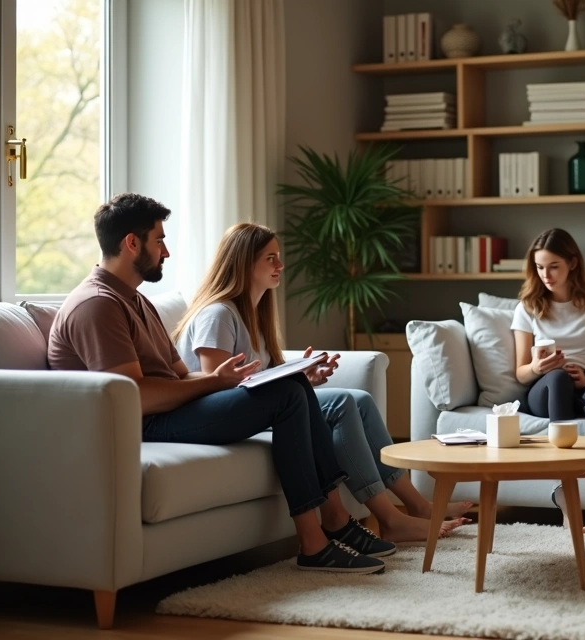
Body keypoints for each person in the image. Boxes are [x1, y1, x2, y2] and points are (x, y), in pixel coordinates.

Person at [48, 193, 384, 574]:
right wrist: (212, 383)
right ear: (131, 243)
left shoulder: (136, 302)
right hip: (144, 425)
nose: (166, 252)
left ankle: (335, 521)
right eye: (159, 240)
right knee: (288, 395)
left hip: (169, 412)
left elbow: (180, 375)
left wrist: (225, 379)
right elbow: (134, 398)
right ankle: (315, 542)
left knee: (294, 386)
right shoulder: (98, 304)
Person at [172, 222, 471, 544]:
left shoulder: (255, 315)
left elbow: (260, 382)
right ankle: (390, 518)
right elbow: (220, 384)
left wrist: (303, 377)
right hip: (212, 414)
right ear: (243, 262)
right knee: (342, 402)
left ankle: (416, 506)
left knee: (359, 399)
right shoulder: (219, 314)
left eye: (278, 257)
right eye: (270, 258)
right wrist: (288, 382)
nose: (280, 266)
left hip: (254, 407)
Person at [512, 228, 585, 421]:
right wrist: (536, 368)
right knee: (558, 377)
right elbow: (521, 373)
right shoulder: (527, 307)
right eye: (539, 267)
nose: (546, 274)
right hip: (546, 387)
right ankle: (561, 445)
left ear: (572, 263)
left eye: (553, 266)